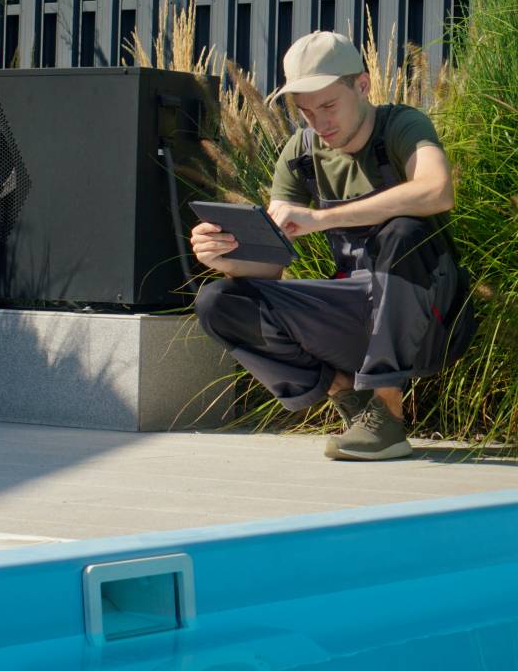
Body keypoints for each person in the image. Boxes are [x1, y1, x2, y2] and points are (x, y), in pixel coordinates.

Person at [189, 31, 472, 461]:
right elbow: (271, 266)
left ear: (362, 85)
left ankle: (386, 410)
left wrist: (323, 219)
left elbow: (437, 191)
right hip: (351, 310)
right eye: (305, 112)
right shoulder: (301, 151)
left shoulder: (402, 125)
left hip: (429, 320)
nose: (319, 124)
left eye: (328, 106)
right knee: (219, 301)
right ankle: (350, 399)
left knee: (404, 233)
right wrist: (226, 257)